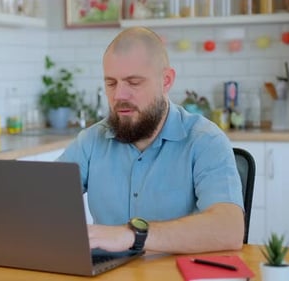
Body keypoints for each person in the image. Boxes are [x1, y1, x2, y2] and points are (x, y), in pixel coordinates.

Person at [57, 27, 244, 254]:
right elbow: (41, 199)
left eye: (133, 82)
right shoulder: (91, 141)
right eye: (111, 83)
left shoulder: (205, 141)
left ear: (166, 81)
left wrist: (132, 235)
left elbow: (229, 230)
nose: (119, 96)